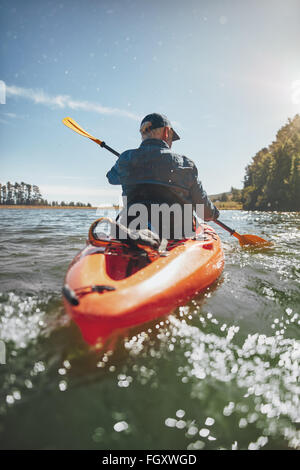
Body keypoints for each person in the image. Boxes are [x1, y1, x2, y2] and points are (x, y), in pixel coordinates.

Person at [106, 113, 219, 239]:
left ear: (143, 135)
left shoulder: (126, 159)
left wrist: (129, 163)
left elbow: (111, 178)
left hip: (134, 229)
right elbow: (205, 213)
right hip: (176, 236)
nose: (171, 143)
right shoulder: (186, 165)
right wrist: (215, 214)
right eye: (171, 138)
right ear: (167, 132)